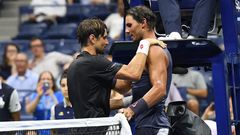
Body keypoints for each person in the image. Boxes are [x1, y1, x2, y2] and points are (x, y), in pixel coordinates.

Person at [67, 18, 166, 119]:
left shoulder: (75, 65)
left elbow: (122, 87)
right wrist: (144, 44)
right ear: (92, 38)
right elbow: (134, 73)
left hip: (82, 127)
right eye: (104, 38)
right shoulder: (94, 62)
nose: (106, 42)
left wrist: (136, 99)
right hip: (95, 128)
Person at [116, 6, 172, 135]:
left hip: (154, 125)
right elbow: (124, 85)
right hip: (147, 125)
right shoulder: (146, 51)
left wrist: (132, 109)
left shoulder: (155, 50)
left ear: (143, 23)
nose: (127, 30)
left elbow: (159, 89)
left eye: (130, 25)